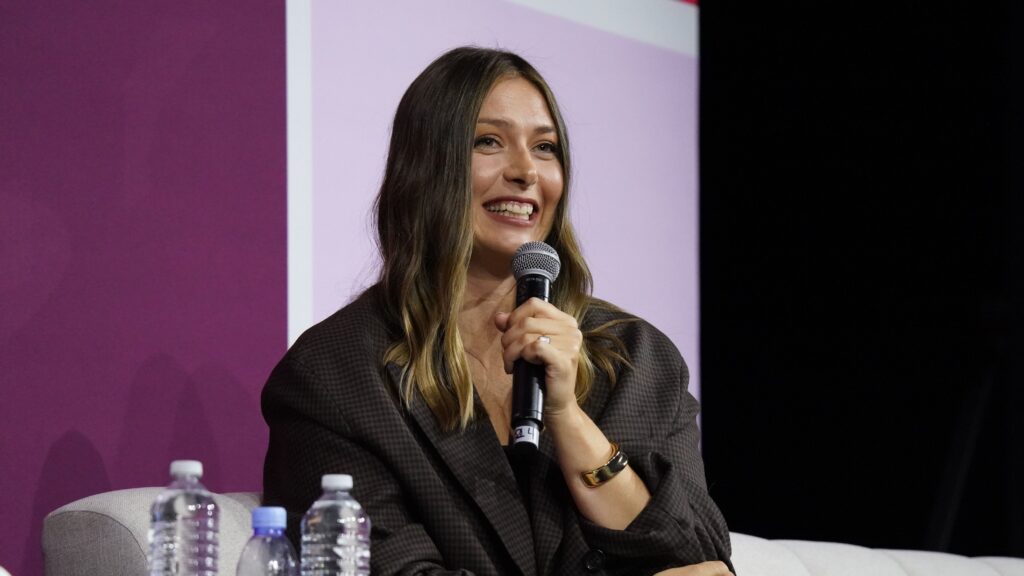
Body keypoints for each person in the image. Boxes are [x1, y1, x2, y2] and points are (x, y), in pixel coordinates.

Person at [262, 46, 733, 576]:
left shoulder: (635, 357)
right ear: (426, 166)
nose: (526, 171)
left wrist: (567, 417)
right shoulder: (335, 375)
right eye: (489, 141)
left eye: (546, 147)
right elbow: (391, 569)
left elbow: (697, 552)